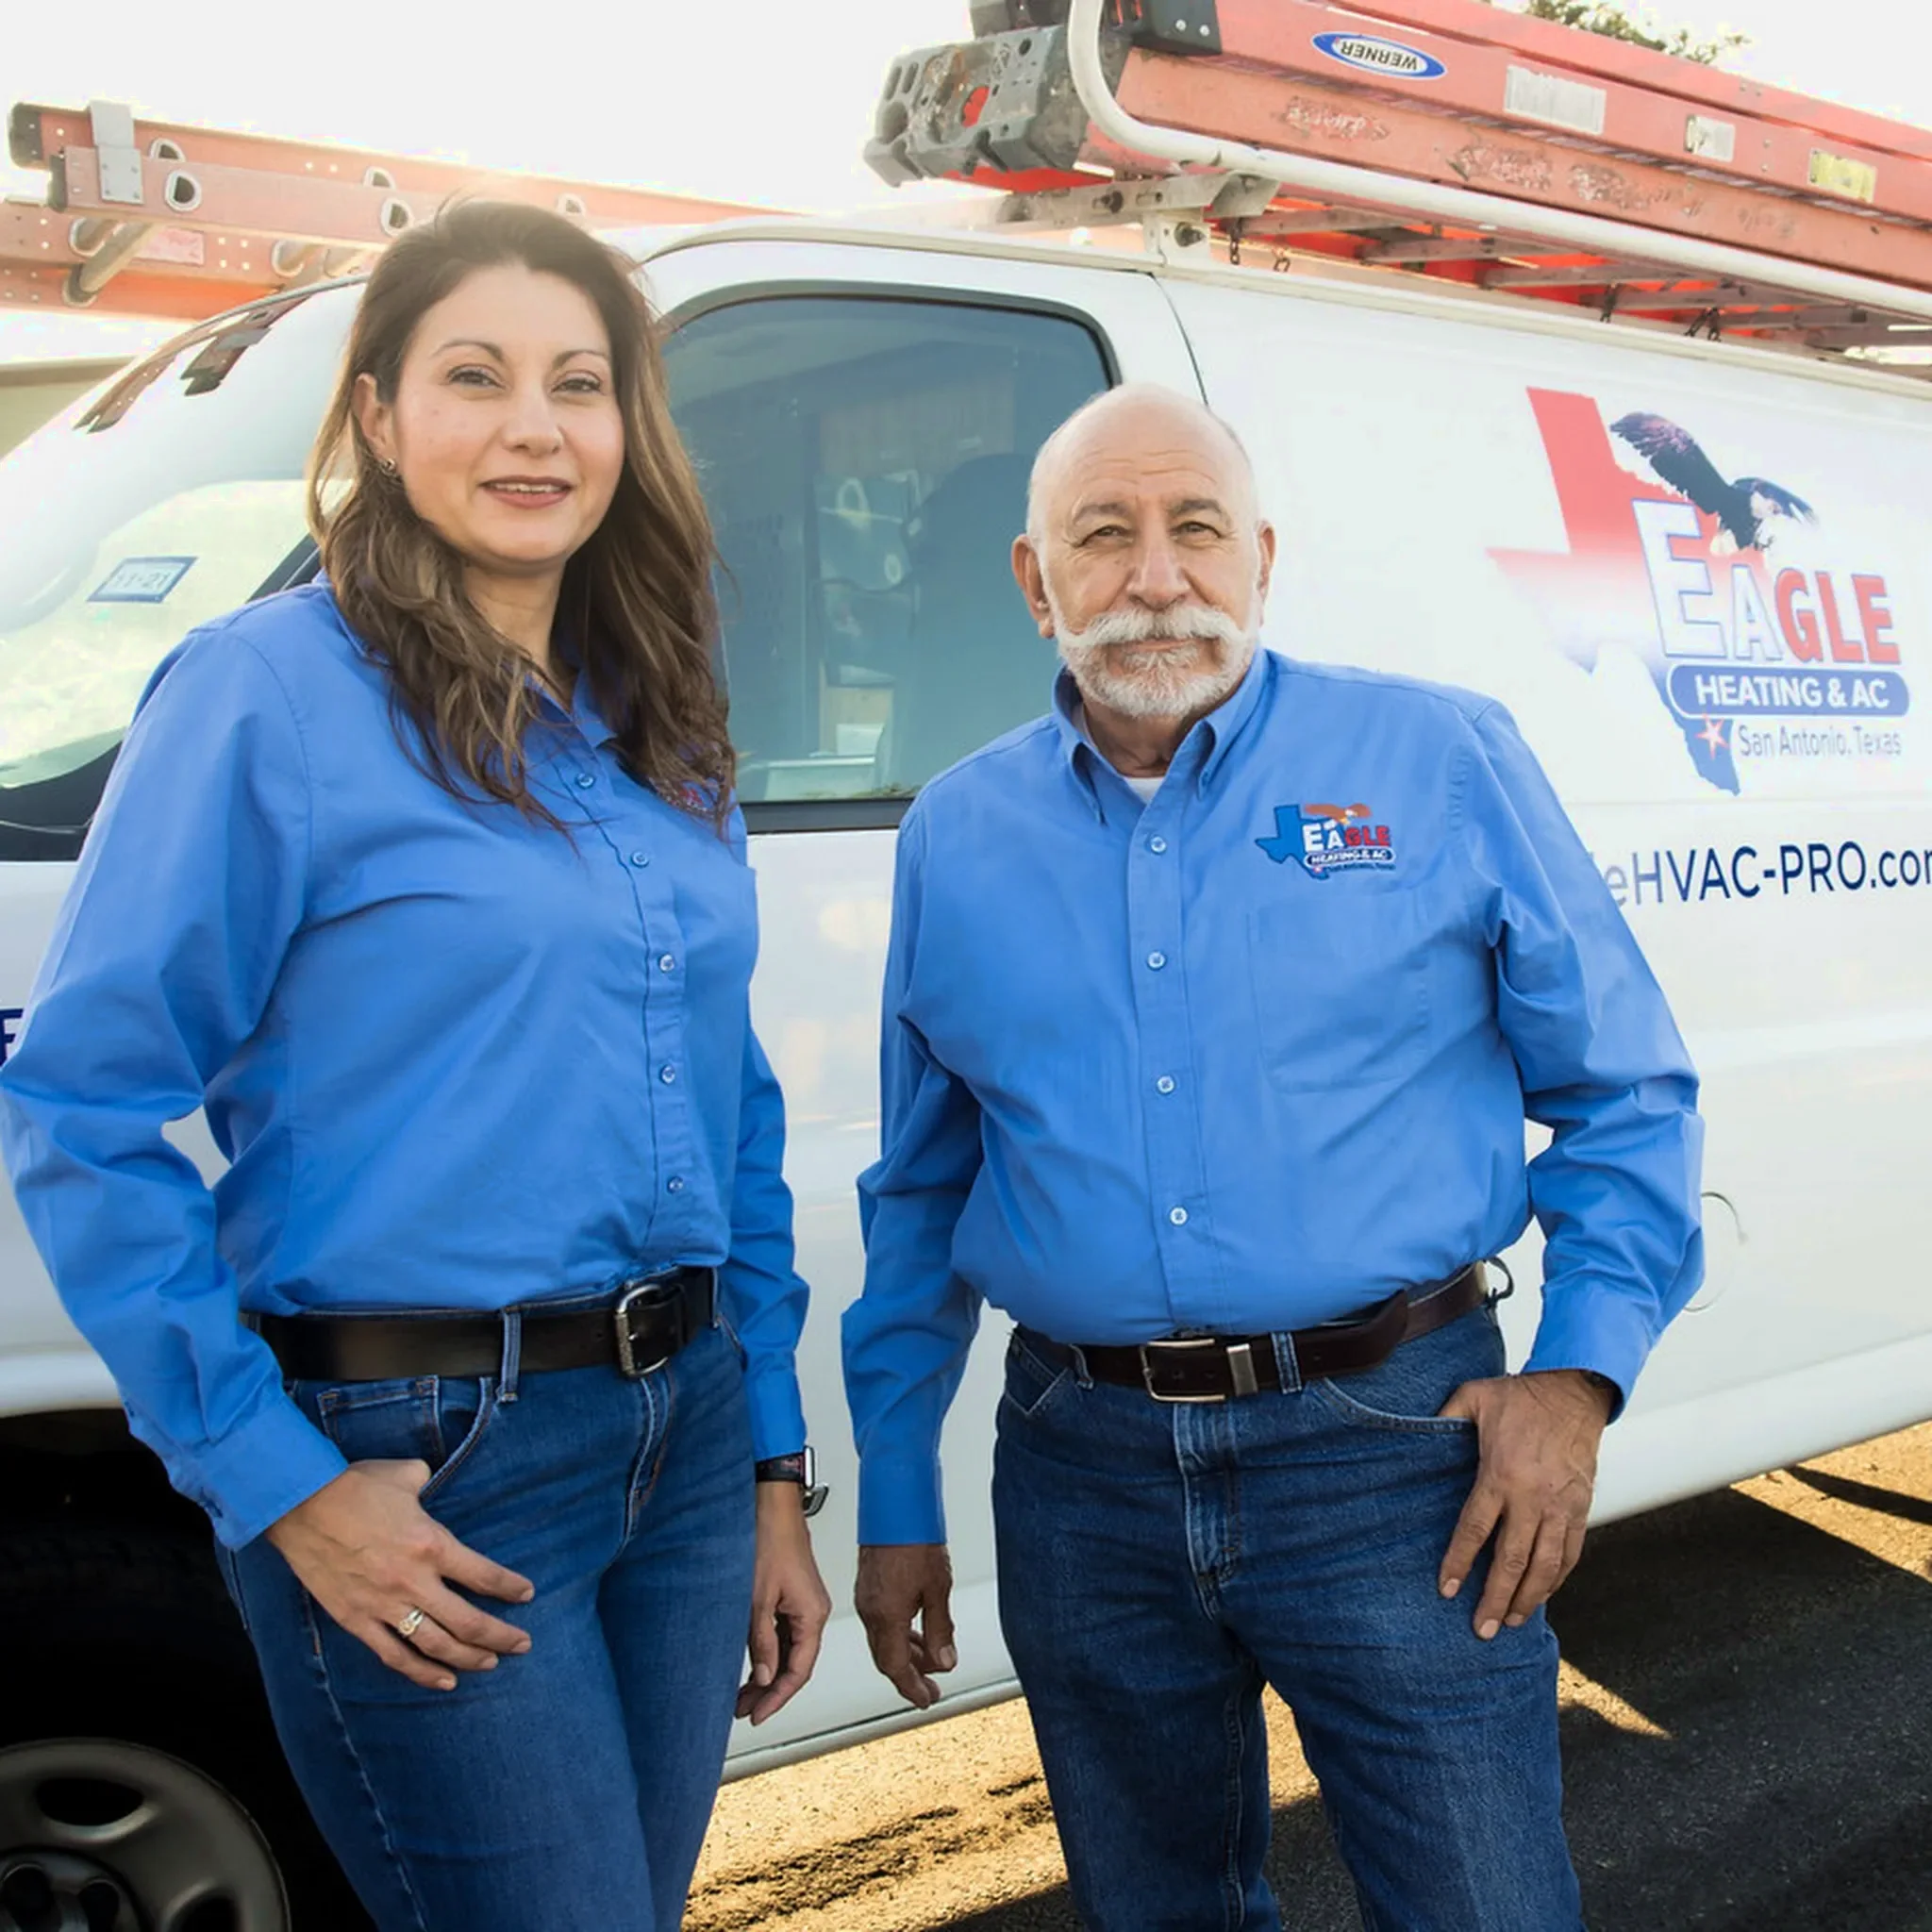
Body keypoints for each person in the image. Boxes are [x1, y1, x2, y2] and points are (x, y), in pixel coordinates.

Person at [0, 201, 830, 1931]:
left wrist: (768, 1465)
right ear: (379, 415)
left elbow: (731, 1109)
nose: (535, 428)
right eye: (476, 377)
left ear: (627, 426)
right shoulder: (264, 694)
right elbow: (79, 1102)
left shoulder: (660, 716)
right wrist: (281, 1490)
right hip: (430, 1458)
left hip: (678, 1439)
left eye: (579, 384)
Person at [842, 383, 1702, 1930]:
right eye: (1102, 536)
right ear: (1034, 581)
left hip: (1396, 1455)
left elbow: (1627, 1090)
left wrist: (1577, 1385)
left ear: (1263, 558)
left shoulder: (1438, 759)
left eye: (1197, 529)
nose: (1155, 575)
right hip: (1081, 1474)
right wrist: (896, 1489)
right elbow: (921, 1189)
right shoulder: (956, 835)